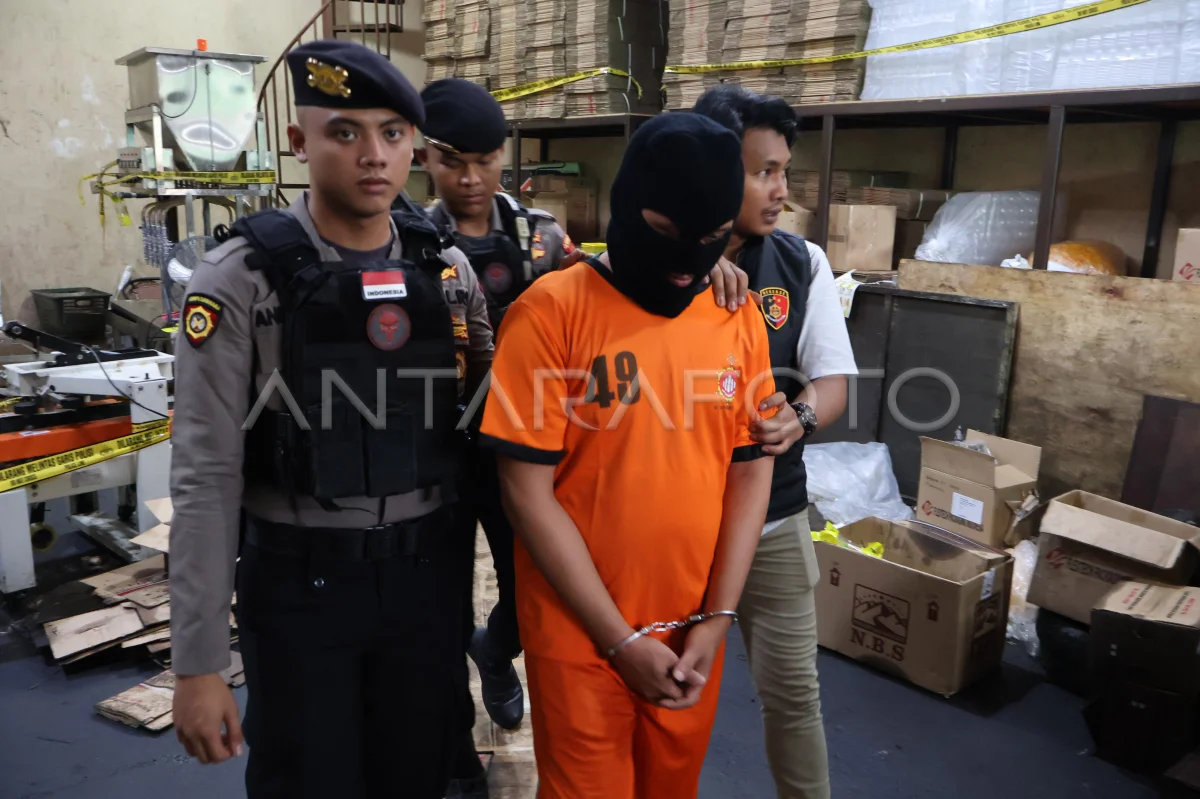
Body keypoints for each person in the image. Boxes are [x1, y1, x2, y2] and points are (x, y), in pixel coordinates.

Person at [168, 40, 493, 799]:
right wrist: (199, 662)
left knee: (418, 777)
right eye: (344, 132)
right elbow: (206, 476)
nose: (373, 155)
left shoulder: (446, 271)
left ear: (414, 145)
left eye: (392, 133)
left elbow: (499, 415)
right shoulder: (241, 280)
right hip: (300, 588)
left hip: (426, 582)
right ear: (299, 141)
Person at [478, 112, 778, 798]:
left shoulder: (736, 315)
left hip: (692, 629)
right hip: (580, 632)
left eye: (709, 237)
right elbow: (526, 492)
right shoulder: (551, 313)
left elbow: (750, 468)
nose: (684, 261)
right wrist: (617, 639)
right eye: (665, 231)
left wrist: (718, 617)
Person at [695, 84, 859, 799]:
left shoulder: (800, 263)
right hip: (676, 520)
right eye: (763, 172)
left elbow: (833, 381)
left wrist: (801, 416)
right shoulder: (658, 266)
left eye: (784, 171)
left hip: (774, 516)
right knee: (668, 685)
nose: (781, 191)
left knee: (793, 694)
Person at [416, 77, 583, 733]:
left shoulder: (543, 239)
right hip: (439, 447)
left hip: (525, 451)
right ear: (426, 157)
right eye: (453, 161)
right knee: (440, 595)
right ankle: (451, 740)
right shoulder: (407, 242)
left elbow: (598, 305)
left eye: (485, 161)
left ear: (503, 156)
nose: (470, 179)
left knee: (531, 585)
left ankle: (495, 651)